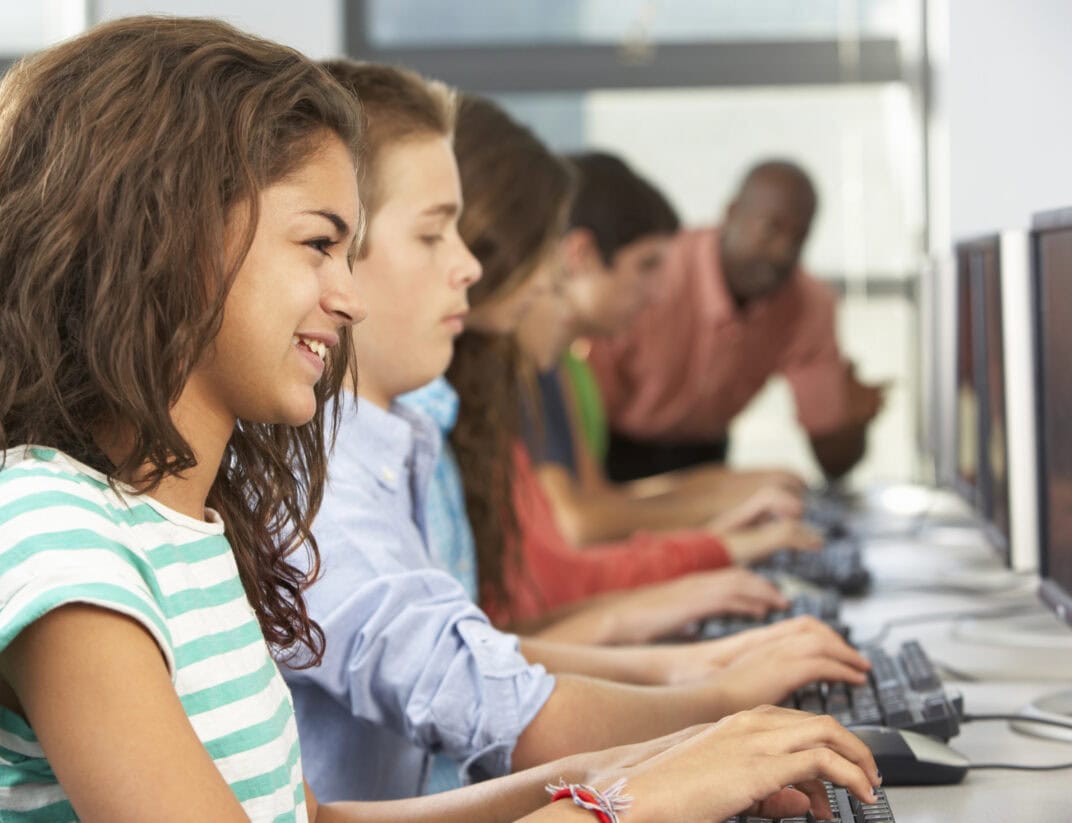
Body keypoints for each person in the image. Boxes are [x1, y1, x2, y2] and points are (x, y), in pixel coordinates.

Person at [0, 19, 880, 823]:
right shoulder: (51, 540)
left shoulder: (190, 527)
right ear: (165, 240)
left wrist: (659, 762)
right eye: (320, 243)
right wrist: (627, 804)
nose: (351, 296)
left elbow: (308, 820)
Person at [284, 60, 875, 816]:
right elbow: (500, 693)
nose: (470, 265)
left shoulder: (400, 435)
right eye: (436, 233)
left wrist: (660, 737)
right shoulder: (318, 489)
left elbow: (480, 656)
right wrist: (703, 705)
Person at [532, 151, 811, 549]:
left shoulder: (564, 364)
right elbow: (579, 523)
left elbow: (601, 499)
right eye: (646, 267)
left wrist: (717, 487)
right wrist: (715, 516)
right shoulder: (533, 366)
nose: (658, 292)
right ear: (581, 255)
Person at [588, 159, 887, 484]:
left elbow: (833, 461)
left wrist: (850, 423)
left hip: (707, 459)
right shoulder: (654, 273)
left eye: (799, 238)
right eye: (771, 228)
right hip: (609, 451)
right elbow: (582, 416)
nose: (783, 251)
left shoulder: (808, 303)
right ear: (731, 213)